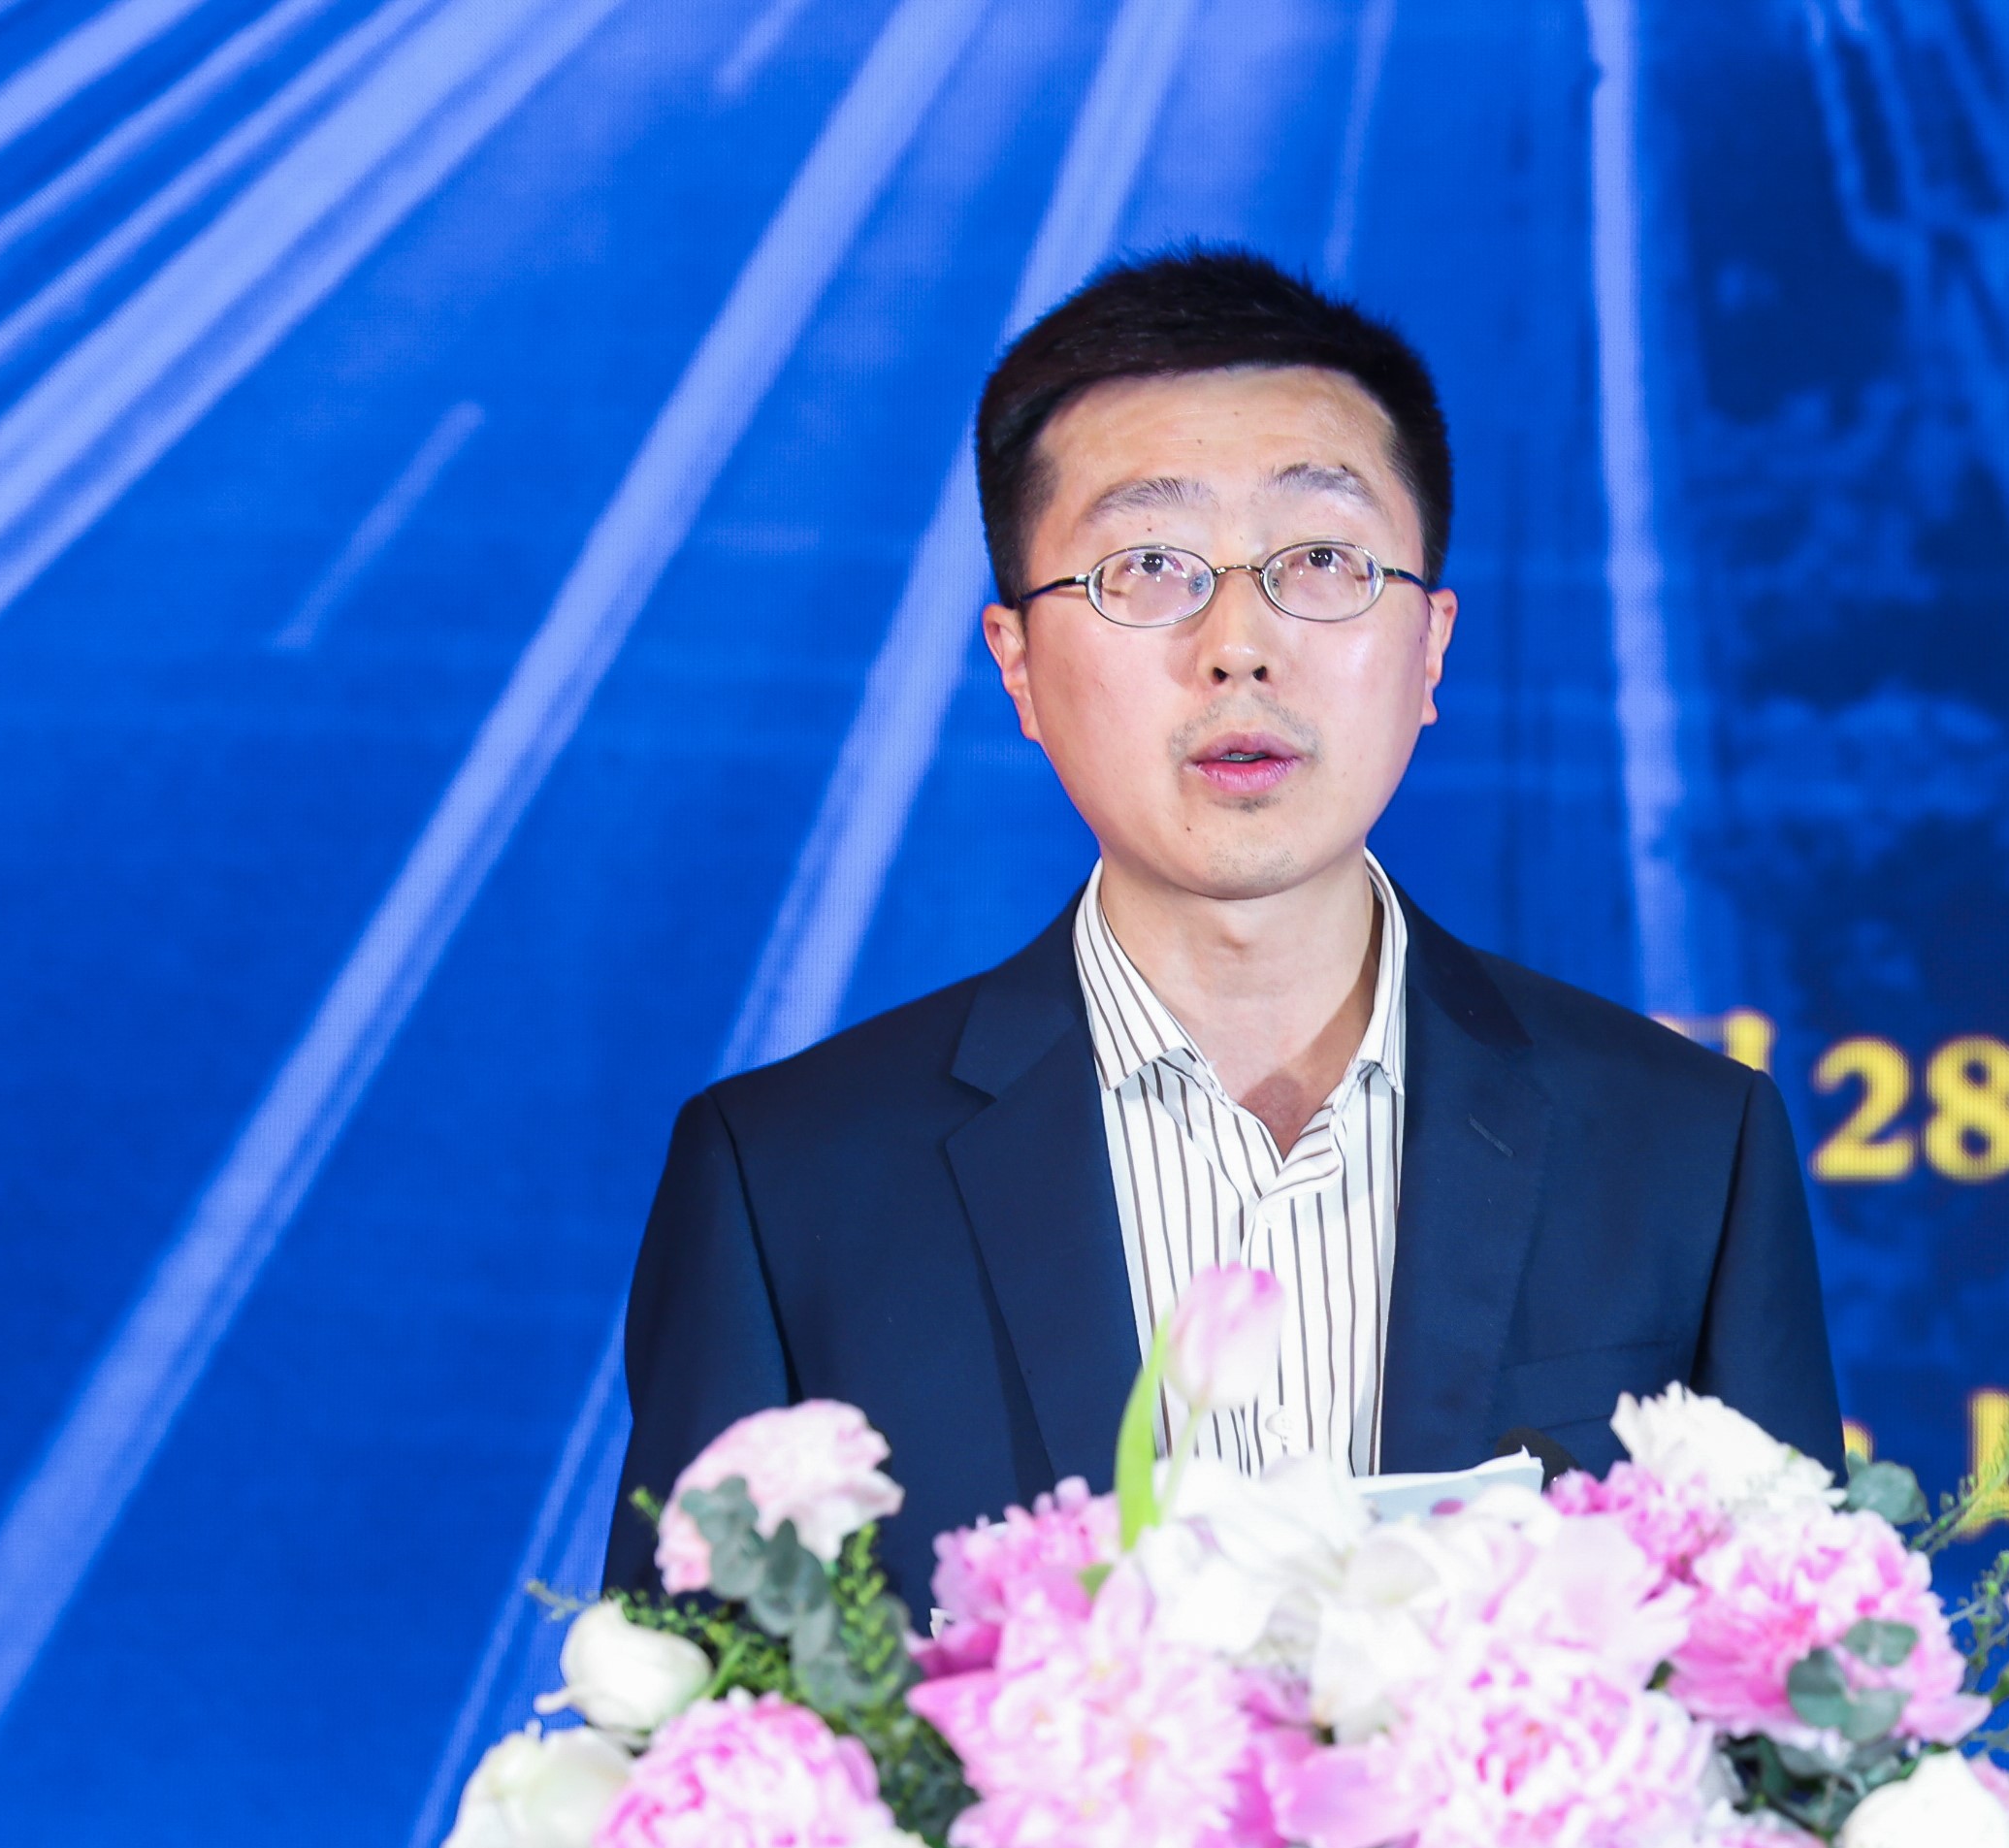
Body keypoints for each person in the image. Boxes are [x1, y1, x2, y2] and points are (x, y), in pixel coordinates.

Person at [599, 244, 1837, 1594]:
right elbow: (705, 1698)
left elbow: (1785, 1677)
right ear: (1018, 664)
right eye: (1148, 566)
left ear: (1430, 645)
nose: (1239, 645)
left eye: (1322, 559)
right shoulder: (788, 1186)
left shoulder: (1684, 1151)